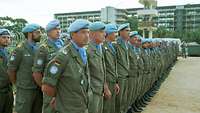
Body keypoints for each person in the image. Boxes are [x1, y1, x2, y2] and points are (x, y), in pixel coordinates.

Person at [42, 19, 91, 113]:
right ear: (73, 35)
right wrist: (58, 99)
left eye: (88, 32)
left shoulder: (82, 52)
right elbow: (47, 86)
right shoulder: (63, 56)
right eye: (83, 32)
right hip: (67, 108)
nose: (87, 36)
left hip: (81, 106)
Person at [7, 23, 43, 113]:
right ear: (30, 34)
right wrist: (18, 84)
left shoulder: (39, 48)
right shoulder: (19, 50)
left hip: (38, 89)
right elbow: (11, 70)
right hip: (25, 90)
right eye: (38, 32)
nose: (41, 34)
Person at [32, 20, 64, 113]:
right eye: (55, 29)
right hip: (50, 88)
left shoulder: (63, 45)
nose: (58, 31)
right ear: (49, 32)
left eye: (59, 29)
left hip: (63, 88)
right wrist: (45, 88)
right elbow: (37, 73)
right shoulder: (43, 48)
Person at [87, 21, 106, 113]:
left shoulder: (99, 48)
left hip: (99, 89)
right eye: (101, 32)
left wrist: (104, 86)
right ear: (92, 34)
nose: (104, 34)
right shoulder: (87, 50)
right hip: (92, 91)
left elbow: (102, 70)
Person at [102, 24, 120, 113]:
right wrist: (105, 87)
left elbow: (114, 65)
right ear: (108, 34)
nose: (116, 35)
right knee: (106, 107)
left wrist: (116, 82)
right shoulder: (103, 47)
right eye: (114, 33)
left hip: (112, 80)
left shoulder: (111, 46)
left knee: (111, 107)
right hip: (107, 81)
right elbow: (103, 68)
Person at [115, 23, 130, 113]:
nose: (129, 32)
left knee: (124, 99)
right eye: (127, 30)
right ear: (120, 32)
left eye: (129, 30)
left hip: (125, 75)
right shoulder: (116, 44)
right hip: (120, 76)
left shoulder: (125, 44)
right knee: (119, 101)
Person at [0, 29, 13, 113]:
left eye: (8, 37)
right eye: (4, 37)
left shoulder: (8, 52)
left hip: (8, 89)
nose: (6, 39)